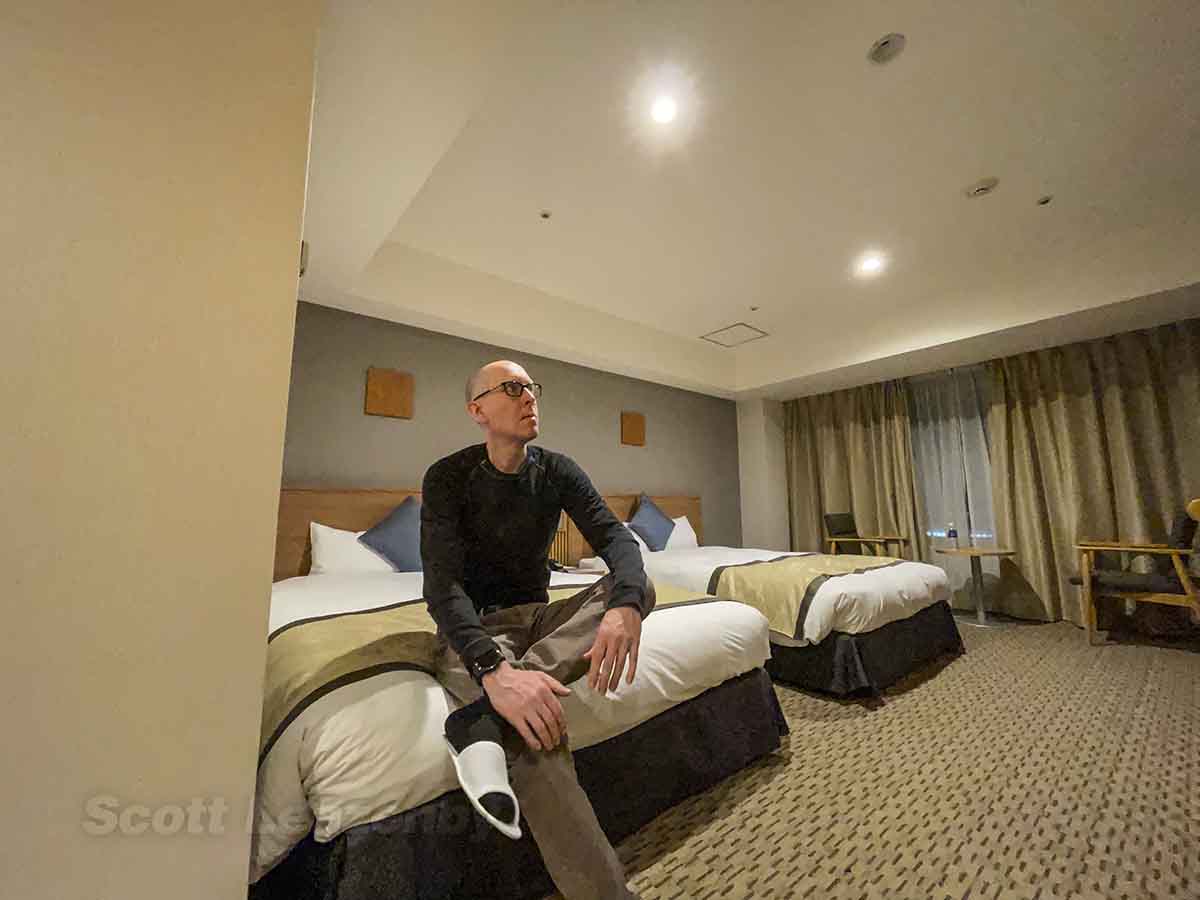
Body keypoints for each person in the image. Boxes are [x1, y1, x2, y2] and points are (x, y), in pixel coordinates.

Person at [420, 359, 653, 900]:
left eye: (531, 387)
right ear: (477, 410)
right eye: (511, 388)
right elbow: (442, 589)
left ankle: (478, 719)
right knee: (535, 722)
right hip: (476, 629)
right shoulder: (448, 477)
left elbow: (617, 542)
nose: (528, 396)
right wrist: (492, 668)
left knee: (637, 591)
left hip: (541, 618)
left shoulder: (557, 471)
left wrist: (624, 606)